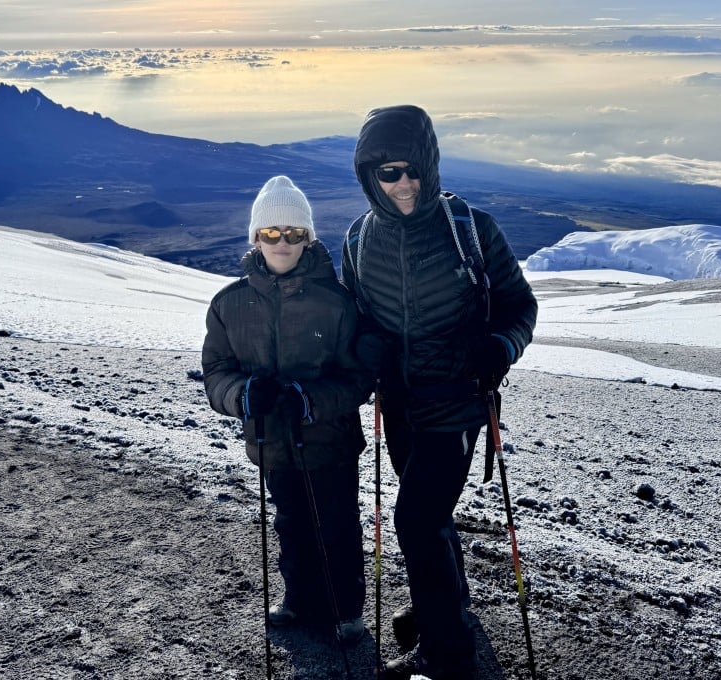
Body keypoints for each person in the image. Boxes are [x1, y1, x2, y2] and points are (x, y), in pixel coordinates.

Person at [341, 106, 538, 680]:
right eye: (387, 173)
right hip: (399, 404)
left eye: (413, 170)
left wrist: (500, 347)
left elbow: (519, 305)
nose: (402, 183)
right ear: (369, 176)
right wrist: (367, 349)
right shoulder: (358, 239)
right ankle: (446, 607)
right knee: (431, 516)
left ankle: (447, 655)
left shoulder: (470, 229)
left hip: (457, 402)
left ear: (429, 167)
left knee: (416, 520)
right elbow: (358, 317)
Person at [202, 175, 373, 645]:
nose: (282, 242)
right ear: (256, 238)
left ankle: (345, 609)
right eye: (271, 232)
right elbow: (216, 371)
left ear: (308, 238)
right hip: (271, 441)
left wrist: (311, 400)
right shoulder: (229, 304)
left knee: (337, 525)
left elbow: (359, 376)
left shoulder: (337, 302)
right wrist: (242, 396)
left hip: (331, 442)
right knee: (291, 523)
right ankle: (300, 598)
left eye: (294, 233)